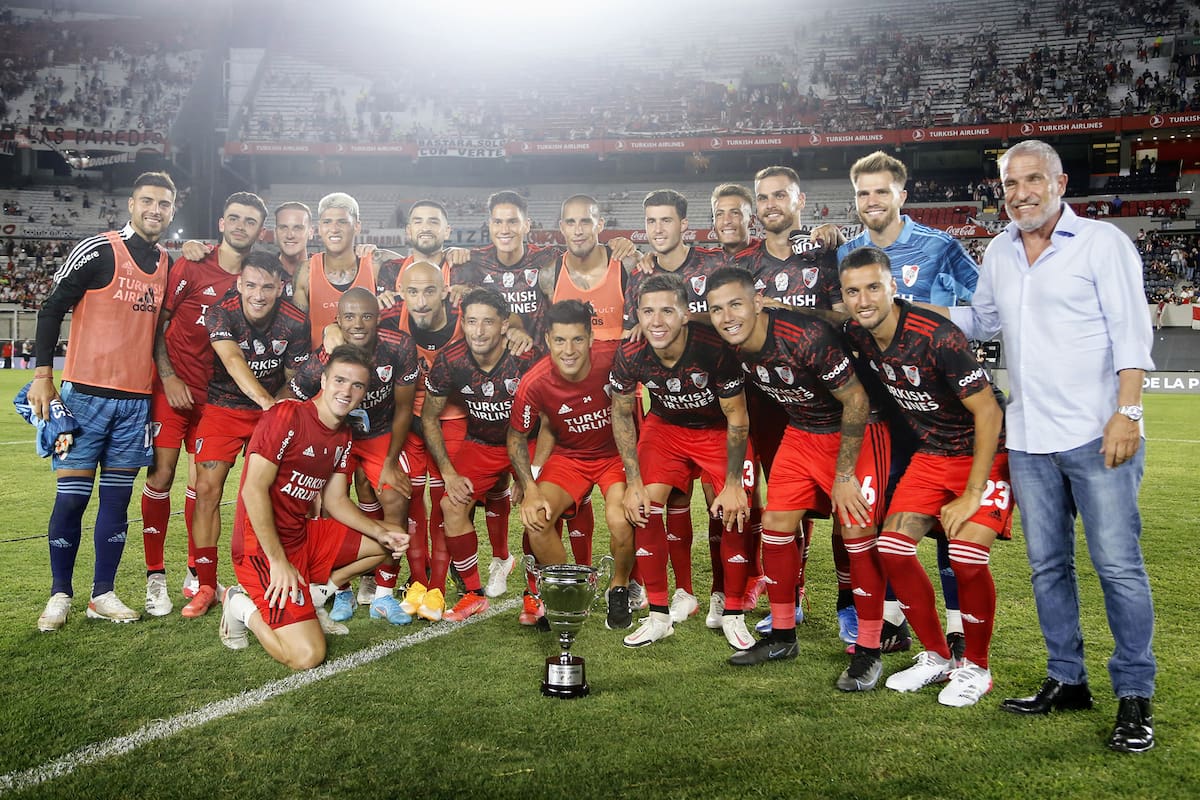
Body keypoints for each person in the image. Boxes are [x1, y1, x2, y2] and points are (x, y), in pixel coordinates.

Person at [941, 139, 1156, 752]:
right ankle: (1067, 679)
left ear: (1060, 183)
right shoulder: (1001, 253)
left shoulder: (1103, 244)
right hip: (1031, 438)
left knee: (1117, 567)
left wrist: (1128, 412)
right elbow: (980, 323)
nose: (1020, 193)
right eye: (1010, 183)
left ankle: (1134, 696)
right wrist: (903, 308)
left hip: (1098, 435)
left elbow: (1131, 334)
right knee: (1047, 569)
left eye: (1033, 179)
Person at [839, 246, 1010, 704]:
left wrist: (974, 493)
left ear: (894, 286)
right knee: (893, 551)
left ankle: (976, 667)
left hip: (982, 454)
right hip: (931, 456)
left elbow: (989, 412)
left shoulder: (937, 336)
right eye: (853, 291)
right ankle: (937, 657)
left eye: (874, 287)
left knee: (968, 556)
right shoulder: (857, 333)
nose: (864, 299)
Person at [830, 150, 981, 657]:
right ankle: (893, 620)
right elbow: (844, 320)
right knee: (887, 518)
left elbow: (986, 307)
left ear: (902, 195)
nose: (871, 201)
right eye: (863, 193)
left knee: (945, 528)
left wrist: (924, 315)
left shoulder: (940, 245)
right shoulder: (846, 251)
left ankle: (958, 629)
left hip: (939, 408)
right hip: (881, 413)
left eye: (881, 191)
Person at [705, 267, 889, 681]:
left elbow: (857, 401)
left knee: (857, 532)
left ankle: (870, 649)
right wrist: (733, 481)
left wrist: (844, 475)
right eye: (717, 309)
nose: (726, 316)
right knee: (775, 524)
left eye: (736, 304)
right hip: (802, 430)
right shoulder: (729, 346)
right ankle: (783, 634)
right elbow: (736, 419)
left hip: (855, 429)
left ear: (758, 302)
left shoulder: (804, 336)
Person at [31, 171, 176, 632]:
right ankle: (60, 593)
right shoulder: (98, 250)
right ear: (131, 204)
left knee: (115, 505)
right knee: (71, 501)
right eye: (148, 201)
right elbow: (52, 307)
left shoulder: (168, 262)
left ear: (172, 211)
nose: (156, 210)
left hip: (135, 405)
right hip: (83, 399)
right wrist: (41, 377)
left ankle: (103, 593)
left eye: (165, 204)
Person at [219, 345, 411, 670]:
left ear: (364, 393)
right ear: (323, 380)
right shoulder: (286, 415)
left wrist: (381, 531)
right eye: (340, 380)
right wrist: (278, 562)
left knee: (388, 539)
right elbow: (253, 490)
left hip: (302, 537)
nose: (346, 391)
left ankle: (316, 595)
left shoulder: (343, 435)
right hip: (261, 549)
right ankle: (238, 605)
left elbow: (336, 501)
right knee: (307, 656)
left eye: (357, 385)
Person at [610, 273, 754, 649]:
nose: (656, 322)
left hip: (717, 429)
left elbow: (737, 417)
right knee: (643, 506)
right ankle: (659, 615)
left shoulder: (714, 348)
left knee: (735, 509)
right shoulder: (630, 353)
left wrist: (735, 483)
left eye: (667, 311)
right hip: (665, 428)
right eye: (648, 312)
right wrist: (633, 480)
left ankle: (732, 610)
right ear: (637, 315)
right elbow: (623, 414)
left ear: (687, 314)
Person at [142, 191, 267, 616]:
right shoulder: (192, 264)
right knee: (161, 475)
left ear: (258, 230)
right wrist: (170, 376)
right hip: (174, 389)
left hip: (216, 398)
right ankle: (155, 575)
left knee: (203, 485)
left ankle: (199, 573)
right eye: (234, 217)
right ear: (220, 223)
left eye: (249, 221)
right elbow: (160, 323)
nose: (240, 226)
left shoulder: (255, 278)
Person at [186, 251, 310, 618]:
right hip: (225, 405)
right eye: (251, 285)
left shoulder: (294, 320)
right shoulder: (220, 311)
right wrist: (266, 403)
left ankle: (280, 573)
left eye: (267, 287)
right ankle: (206, 584)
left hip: (271, 407)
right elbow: (233, 360)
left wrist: (280, 410)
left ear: (280, 288)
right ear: (239, 283)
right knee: (207, 489)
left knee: (275, 494)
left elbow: (294, 378)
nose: (258, 294)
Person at [285, 288, 420, 625]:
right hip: (336, 435)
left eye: (366, 316)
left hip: (379, 435)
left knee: (396, 497)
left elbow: (404, 408)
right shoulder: (325, 357)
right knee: (330, 508)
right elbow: (293, 398)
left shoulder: (399, 345)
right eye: (349, 317)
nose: (358, 324)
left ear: (378, 316)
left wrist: (390, 461)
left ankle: (384, 595)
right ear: (338, 321)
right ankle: (341, 589)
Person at [507, 299, 636, 631]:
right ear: (547, 339)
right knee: (537, 519)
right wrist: (531, 487)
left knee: (619, 519)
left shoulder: (614, 357)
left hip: (615, 456)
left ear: (591, 338)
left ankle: (619, 588)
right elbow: (516, 437)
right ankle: (567, 591)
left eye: (577, 339)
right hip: (570, 458)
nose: (569, 349)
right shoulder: (534, 381)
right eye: (560, 340)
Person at [422, 288, 539, 620]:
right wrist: (447, 471)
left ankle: (535, 594)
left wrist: (531, 474)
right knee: (450, 505)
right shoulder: (451, 358)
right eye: (471, 321)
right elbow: (429, 416)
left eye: (488, 322)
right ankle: (473, 593)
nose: (479, 330)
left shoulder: (526, 357)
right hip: (482, 443)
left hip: (528, 442)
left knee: (539, 509)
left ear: (504, 325)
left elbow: (553, 414)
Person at [292, 192, 400, 348]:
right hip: (323, 367)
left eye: (342, 222)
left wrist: (447, 252)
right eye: (327, 222)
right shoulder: (306, 271)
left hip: (369, 365)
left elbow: (422, 269)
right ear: (319, 228)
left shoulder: (376, 262)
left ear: (357, 226)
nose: (334, 229)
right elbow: (297, 334)